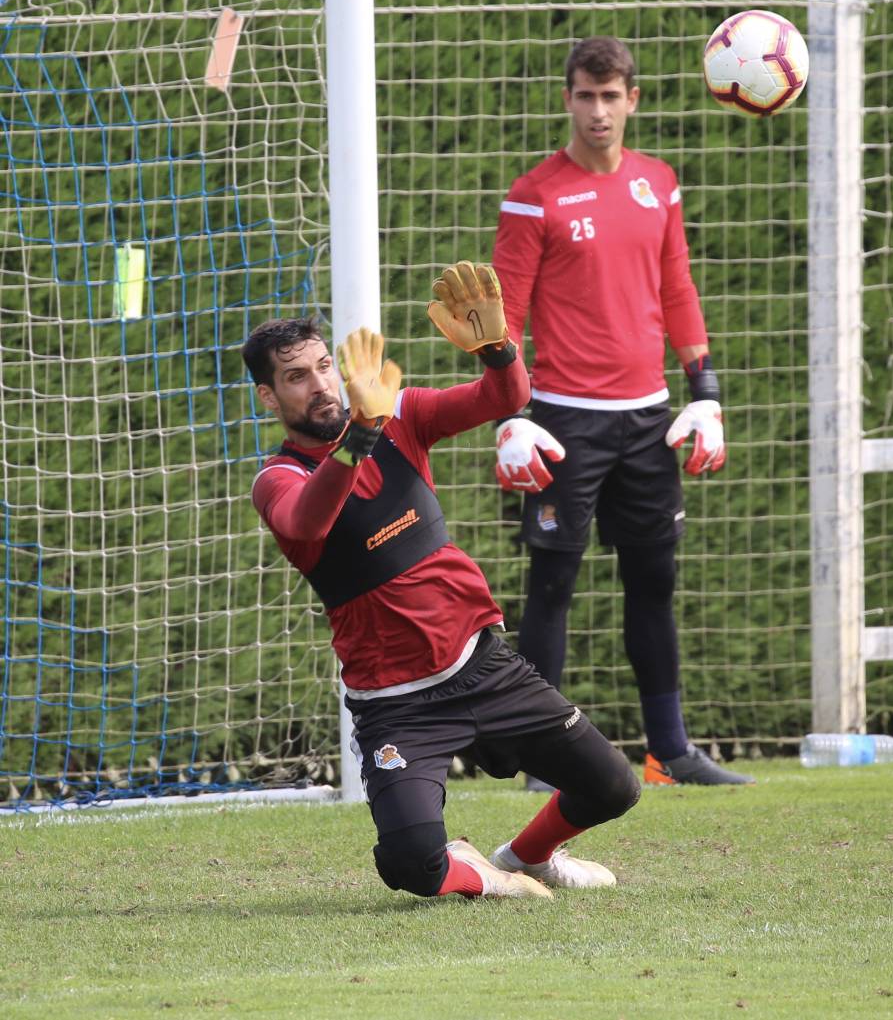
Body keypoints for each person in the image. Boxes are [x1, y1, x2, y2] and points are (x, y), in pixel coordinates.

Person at [242, 262, 640, 902]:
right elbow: (307, 520)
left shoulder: (396, 418)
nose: (318, 385)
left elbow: (503, 399)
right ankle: (482, 874)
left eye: (322, 367)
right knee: (410, 865)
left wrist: (498, 349)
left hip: (482, 666)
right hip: (396, 703)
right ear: (269, 397)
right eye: (295, 377)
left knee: (613, 787)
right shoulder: (278, 478)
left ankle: (529, 855)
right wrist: (358, 437)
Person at [491, 36, 754, 789]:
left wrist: (706, 394)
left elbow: (678, 290)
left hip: (649, 420)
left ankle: (670, 750)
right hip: (563, 420)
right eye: (585, 94)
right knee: (552, 584)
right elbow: (505, 315)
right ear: (567, 98)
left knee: (655, 580)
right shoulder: (534, 193)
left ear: (632, 99)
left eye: (611, 96)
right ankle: (545, 757)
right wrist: (511, 412)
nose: (598, 110)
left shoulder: (658, 184)